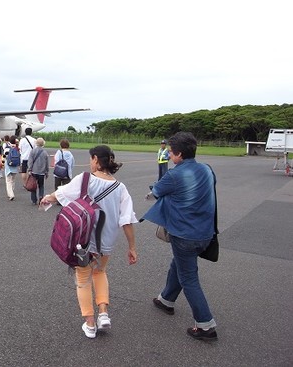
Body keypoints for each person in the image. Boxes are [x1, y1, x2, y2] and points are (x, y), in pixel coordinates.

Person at [40, 145, 138, 338]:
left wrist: (47, 199)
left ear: (95, 159)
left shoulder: (85, 179)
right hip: (106, 242)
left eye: (90, 159)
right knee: (100, 272)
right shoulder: (121, 188)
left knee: (83, 280)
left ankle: (90, 324)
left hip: (83, 241)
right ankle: (103, 314)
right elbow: (127, 219)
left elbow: (62, 194)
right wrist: (132, 247)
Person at [142, 132, 218, 341]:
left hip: (185, 234)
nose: (169, 155)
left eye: (171, 152)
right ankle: (166, 299)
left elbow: (155, 193)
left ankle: (205, 325)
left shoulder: (174, 175)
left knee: (189, 278)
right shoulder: (206, 169)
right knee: (180, 265)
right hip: (205, 232)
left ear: (179, 155)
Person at [27, 137, 49, 205]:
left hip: (34, 171)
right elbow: (47, 164)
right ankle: (41, 197)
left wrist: (29, 169)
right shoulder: (45, 152)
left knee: (33, 186)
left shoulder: (33, 151)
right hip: (42, 172)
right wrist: (46, 172)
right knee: (41, 186)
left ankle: (34, 200)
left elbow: (30, 161)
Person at [4, 135, 20, 200]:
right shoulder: (17, 148)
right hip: (15, 165)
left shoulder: (8, 147)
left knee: (8, 181)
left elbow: (5, 155)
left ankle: (11, 194)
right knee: (13, 180)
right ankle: (12, 191)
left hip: (9, 165)